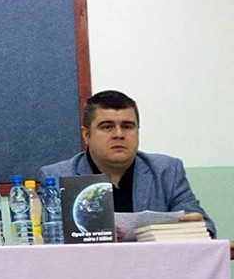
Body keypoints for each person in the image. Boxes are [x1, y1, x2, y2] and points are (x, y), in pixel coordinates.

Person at [39, 90, 216, 236]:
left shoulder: (167, 171)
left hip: (154, 265)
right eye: (107, 127)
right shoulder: (57, 177)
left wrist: (195, 228)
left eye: (127, 126)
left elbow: (206, 227)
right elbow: (43, 239)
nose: (119, 134)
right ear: (87, 135)